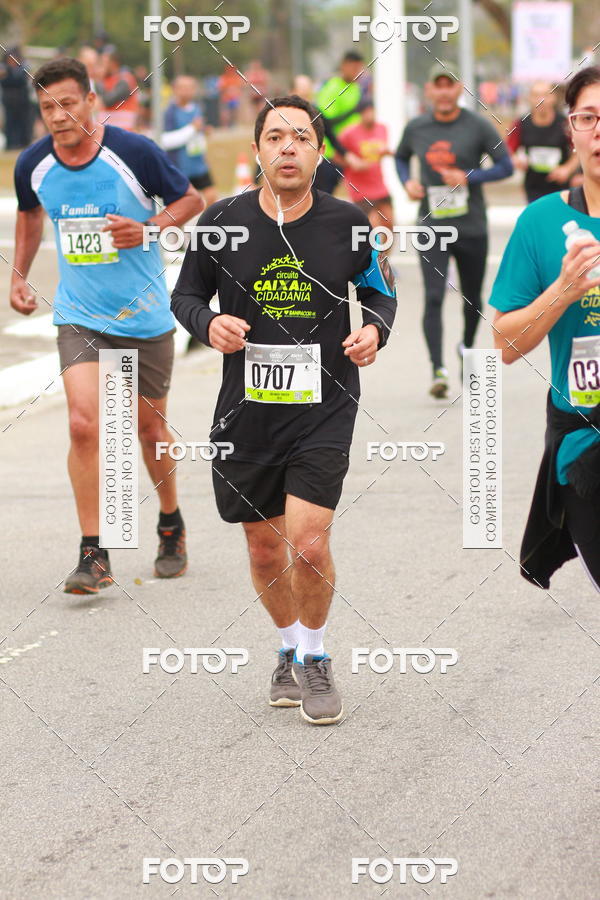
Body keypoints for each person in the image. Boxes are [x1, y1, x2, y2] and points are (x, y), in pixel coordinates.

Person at [171, 94, 397, 725]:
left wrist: (375, 330)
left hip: (325, 406)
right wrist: (208, 322)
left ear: (320, 152)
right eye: (276, 137)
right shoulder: (221, 220)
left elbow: (381, 294)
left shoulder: (348, 222)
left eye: (301, 136)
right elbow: (185, 295)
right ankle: (288, 645)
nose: (288, 147)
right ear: (257, 151)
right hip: (246, 412)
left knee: (307, 543)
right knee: (265, 550)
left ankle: (316, 657)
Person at [11, 57, 204, 593]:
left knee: (148, 431)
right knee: (82, 424)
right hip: (80, 315)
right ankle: (94, 553)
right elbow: (29, 215)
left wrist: (148, 227)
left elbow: (192, 198)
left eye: (67, 103)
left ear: (91, 100)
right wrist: (18, 276)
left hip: (143, 317)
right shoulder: (33, 164)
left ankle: (171, 523)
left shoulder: (133, 152)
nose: (58, 115)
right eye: (47, 106)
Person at [491, 65, 600, 592]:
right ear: (571, 130)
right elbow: (507, 343)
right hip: (585, 435)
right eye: (589, 117)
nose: (599, 130)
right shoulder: (539, 223)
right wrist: (564, 288)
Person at [395, 61, 513, 398]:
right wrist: (408, 182)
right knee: (433, 296)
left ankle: (465, 345)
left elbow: (506, 165)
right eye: (438, 85)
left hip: (471, 225)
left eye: (450, 85)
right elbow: (401, 157)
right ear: (430, 91)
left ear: (459, 89)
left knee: (472, 298)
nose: (444, 91)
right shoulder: (416, 127)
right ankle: (438, 369)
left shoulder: (477, 126)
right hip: (432, 224)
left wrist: (470, 177)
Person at [507, 81, 580, 204]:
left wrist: (567, 169)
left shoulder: (565, 124)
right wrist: (515, 160)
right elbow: (507, 150)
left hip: (561, 187)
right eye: (536, 95)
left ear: (553, 98)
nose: (541, 100)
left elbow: (579, 150)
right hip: (533, 188)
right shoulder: (520, 124)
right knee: (538, 221)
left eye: (546, 95)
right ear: (529, 98)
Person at [315, 51, 368, 194]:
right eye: (354, 68)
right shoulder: (332, 87)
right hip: (331, 154)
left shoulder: (357, 89)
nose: (358, 73)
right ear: (343, 66)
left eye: (360, 69)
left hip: (349, 153)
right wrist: (354, 111)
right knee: (323, 194)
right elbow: (326, 121)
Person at [339, 98, 394, 233]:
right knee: (373, 226)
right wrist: (352, 162)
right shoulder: (349, 133)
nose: (369, 115)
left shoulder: (382, 129)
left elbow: (385, 150)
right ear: (360, 114)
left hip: (379, 186)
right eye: (366, 112)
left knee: (389, 224)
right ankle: (374, 254)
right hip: (360, 189)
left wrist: (386, 152)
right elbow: (335, 155)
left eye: (371, 111)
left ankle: (383, 255)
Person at [162, 76, 217, 209]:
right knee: (181, 205)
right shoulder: (170, 112)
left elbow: (197, 132)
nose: (187, 91)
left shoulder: (197, 108)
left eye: (190, 88)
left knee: (212, 196)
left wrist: (204, 130)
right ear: (175, 90)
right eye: (183, 88)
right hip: (179, 167)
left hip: (198, 165)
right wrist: (192, 128)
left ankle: (203, 225)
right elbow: (166, 141)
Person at [95, 46, 139, 131]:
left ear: (113, 62)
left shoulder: (126, 78)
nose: (101, 66)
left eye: (104, 62)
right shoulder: (105, 80)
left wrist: (99, 80)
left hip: (124, 132)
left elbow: (109, 101)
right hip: (107, 133)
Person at [0, 48, 33, 149]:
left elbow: (22, 81)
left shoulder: (22, 68)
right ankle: (11, 144)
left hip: (22, 101)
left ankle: (24, 143)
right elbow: (5, 82)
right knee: (10, 124)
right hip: (9, 102)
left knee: (24, 123)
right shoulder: (4, 69)